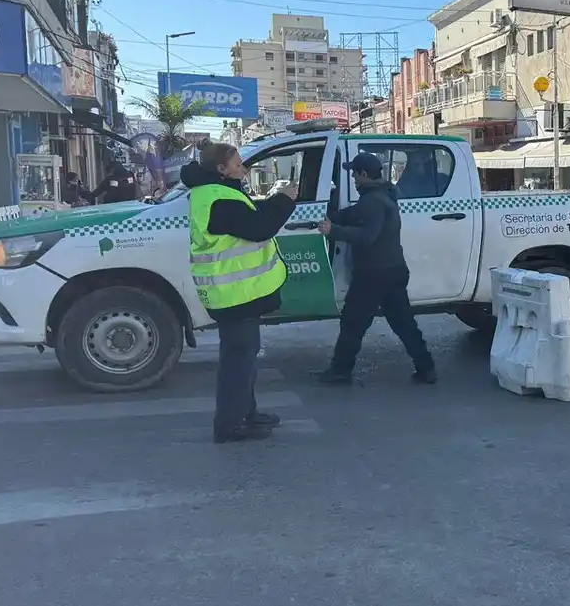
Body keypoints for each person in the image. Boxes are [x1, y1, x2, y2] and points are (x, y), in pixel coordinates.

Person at [181, 140, 297, 443]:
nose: (243, 169)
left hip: (234, 293)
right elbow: (258, 227)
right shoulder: (218, 198)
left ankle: (247, 413)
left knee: (243, 357)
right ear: (221, 169)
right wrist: (283, 200)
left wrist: (272, 202)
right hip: (233, 294)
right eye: (237, 164)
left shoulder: (214, 192)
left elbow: (248, 219)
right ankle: (230, 425)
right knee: (238, 361)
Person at [315, 151, 435, 385]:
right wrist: (332, 217)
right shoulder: (383, 195)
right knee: (404, 324)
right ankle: (427, 368)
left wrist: (333, 231)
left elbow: (368, 236)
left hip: (373, 274)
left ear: (363, 174)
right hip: (393, 269)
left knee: (353, 322)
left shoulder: (372, 201)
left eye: (354, 175)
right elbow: (353, 215)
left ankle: (340, 371)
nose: (353, 180)